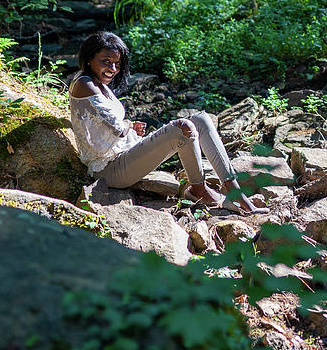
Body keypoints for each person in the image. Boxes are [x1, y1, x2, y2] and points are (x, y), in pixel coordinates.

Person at [68, 31, 262, 213]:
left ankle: (236, 192)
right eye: (106, 61)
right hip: (109, 170)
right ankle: (198, 190)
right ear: (89, 59)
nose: (112, 68)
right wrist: (127, 124)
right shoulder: (85, 84)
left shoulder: (98, 84)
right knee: (182, 128)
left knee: (200, 119)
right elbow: (118, 128)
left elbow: (108, 123)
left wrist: (129, 126)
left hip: (124, 154)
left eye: (116, 63)